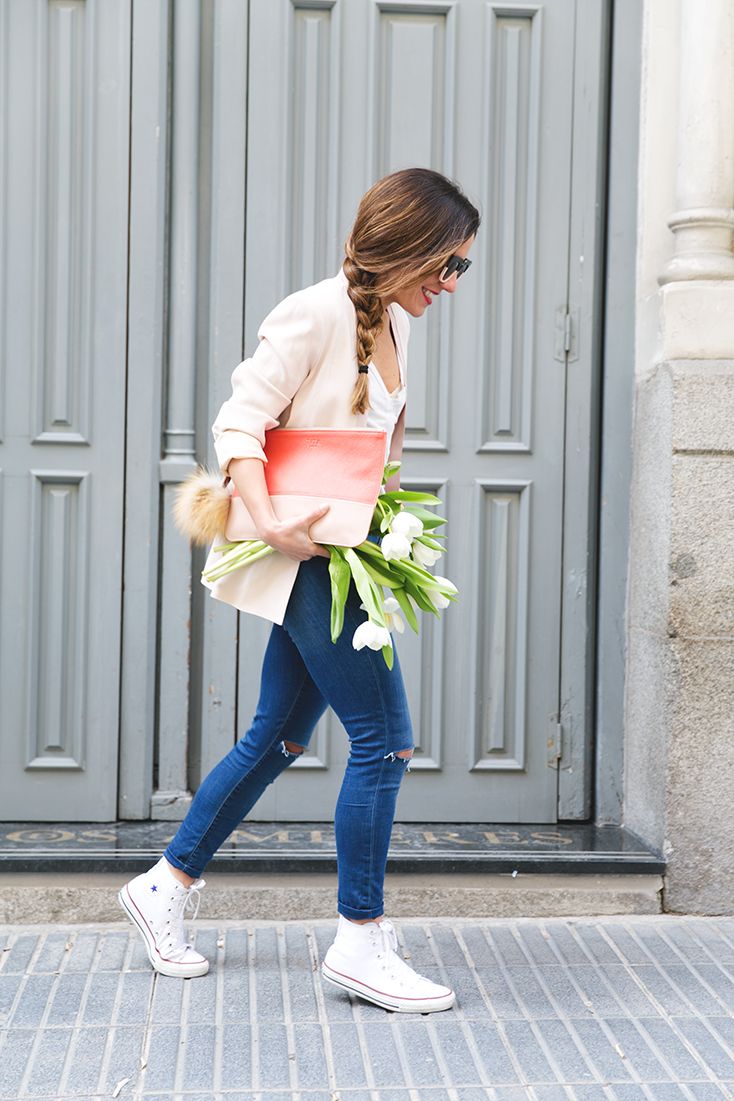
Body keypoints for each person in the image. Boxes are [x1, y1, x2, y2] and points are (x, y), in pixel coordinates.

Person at [119, 167, 479, 1013]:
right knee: (385, 737)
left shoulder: (392, 321)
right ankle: (360, 939)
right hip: (310, 557)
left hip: (350, 552)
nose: (453, 284)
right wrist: (270, 520)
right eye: (449, 265)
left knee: (276, 737)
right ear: (409, 249)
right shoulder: (316, 310)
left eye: (462, 268)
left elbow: (371, 443)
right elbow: (239, 420)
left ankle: (165, 884)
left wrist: (388, 508)